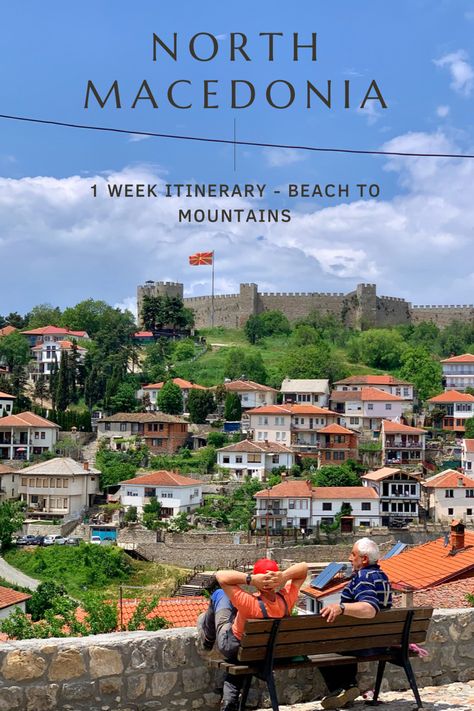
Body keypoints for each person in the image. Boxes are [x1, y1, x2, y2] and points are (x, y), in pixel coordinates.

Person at [197, 558, 308, 711]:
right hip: (266, 653)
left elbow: (220, 576)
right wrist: (283, 576)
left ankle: (207, 639)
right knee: (244, 655)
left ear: (259, 579)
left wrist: (250, 579)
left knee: (219, 595)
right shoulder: (286, 599)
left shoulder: (249, 603)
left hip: (234, 647)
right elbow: (303, 569)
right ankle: (230, 700)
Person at [319, 537, 392, 710]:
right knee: (344, 639)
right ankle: (348, 687)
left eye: (353, 554)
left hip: (363, 644)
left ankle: (340, 688)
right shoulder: (381, 576)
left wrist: (341, 607)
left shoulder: (363, 577)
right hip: (382, 642)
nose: (350, 558)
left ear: (364, 559)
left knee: (320, 645)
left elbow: (369, 608)